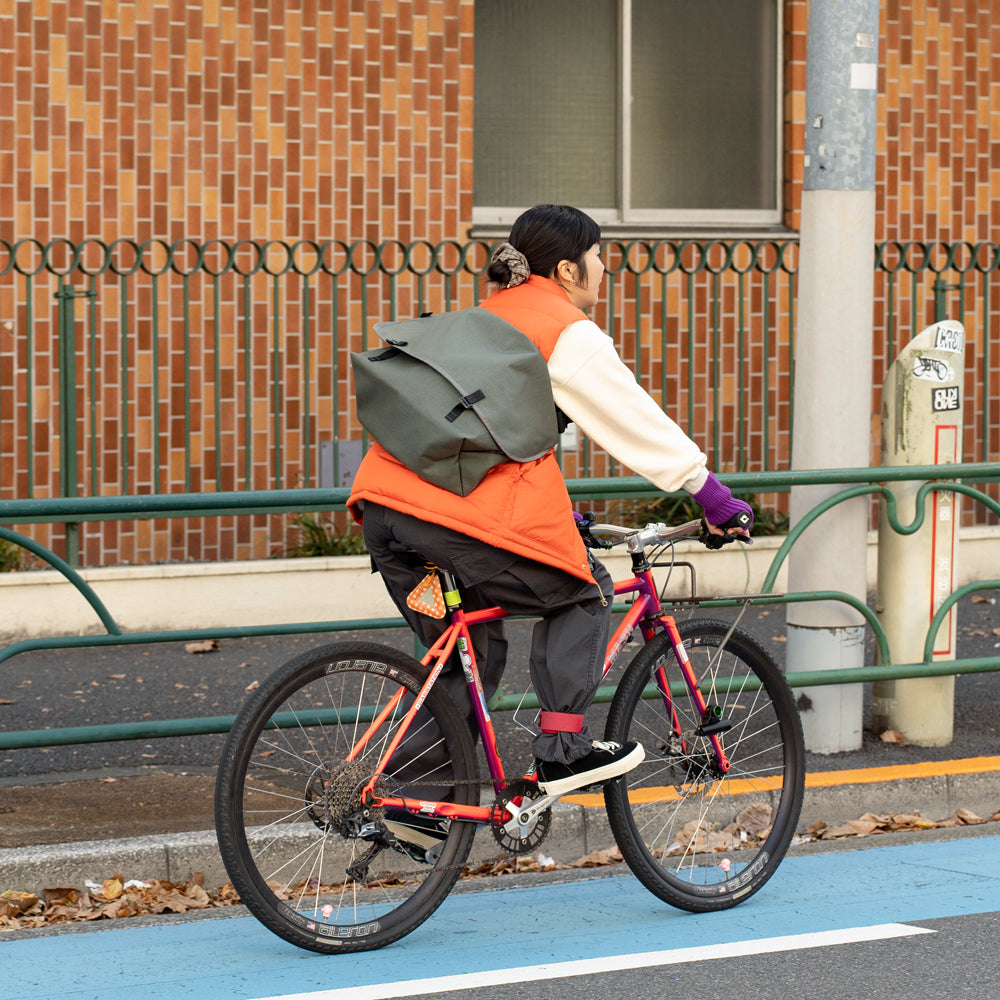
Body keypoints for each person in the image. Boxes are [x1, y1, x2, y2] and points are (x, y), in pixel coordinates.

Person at [347, 204, 752, 854]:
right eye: (598, 258)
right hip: (453, 522)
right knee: (584, 591)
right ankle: (564, 748)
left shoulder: (486, 318)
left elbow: (489, 439)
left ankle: (413, 798)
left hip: (387, 517)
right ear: (567, 267)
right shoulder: (561, 326)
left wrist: (561, 518)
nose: (604, 270)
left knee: (467, 650)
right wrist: (711, 494)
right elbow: (633, 420)